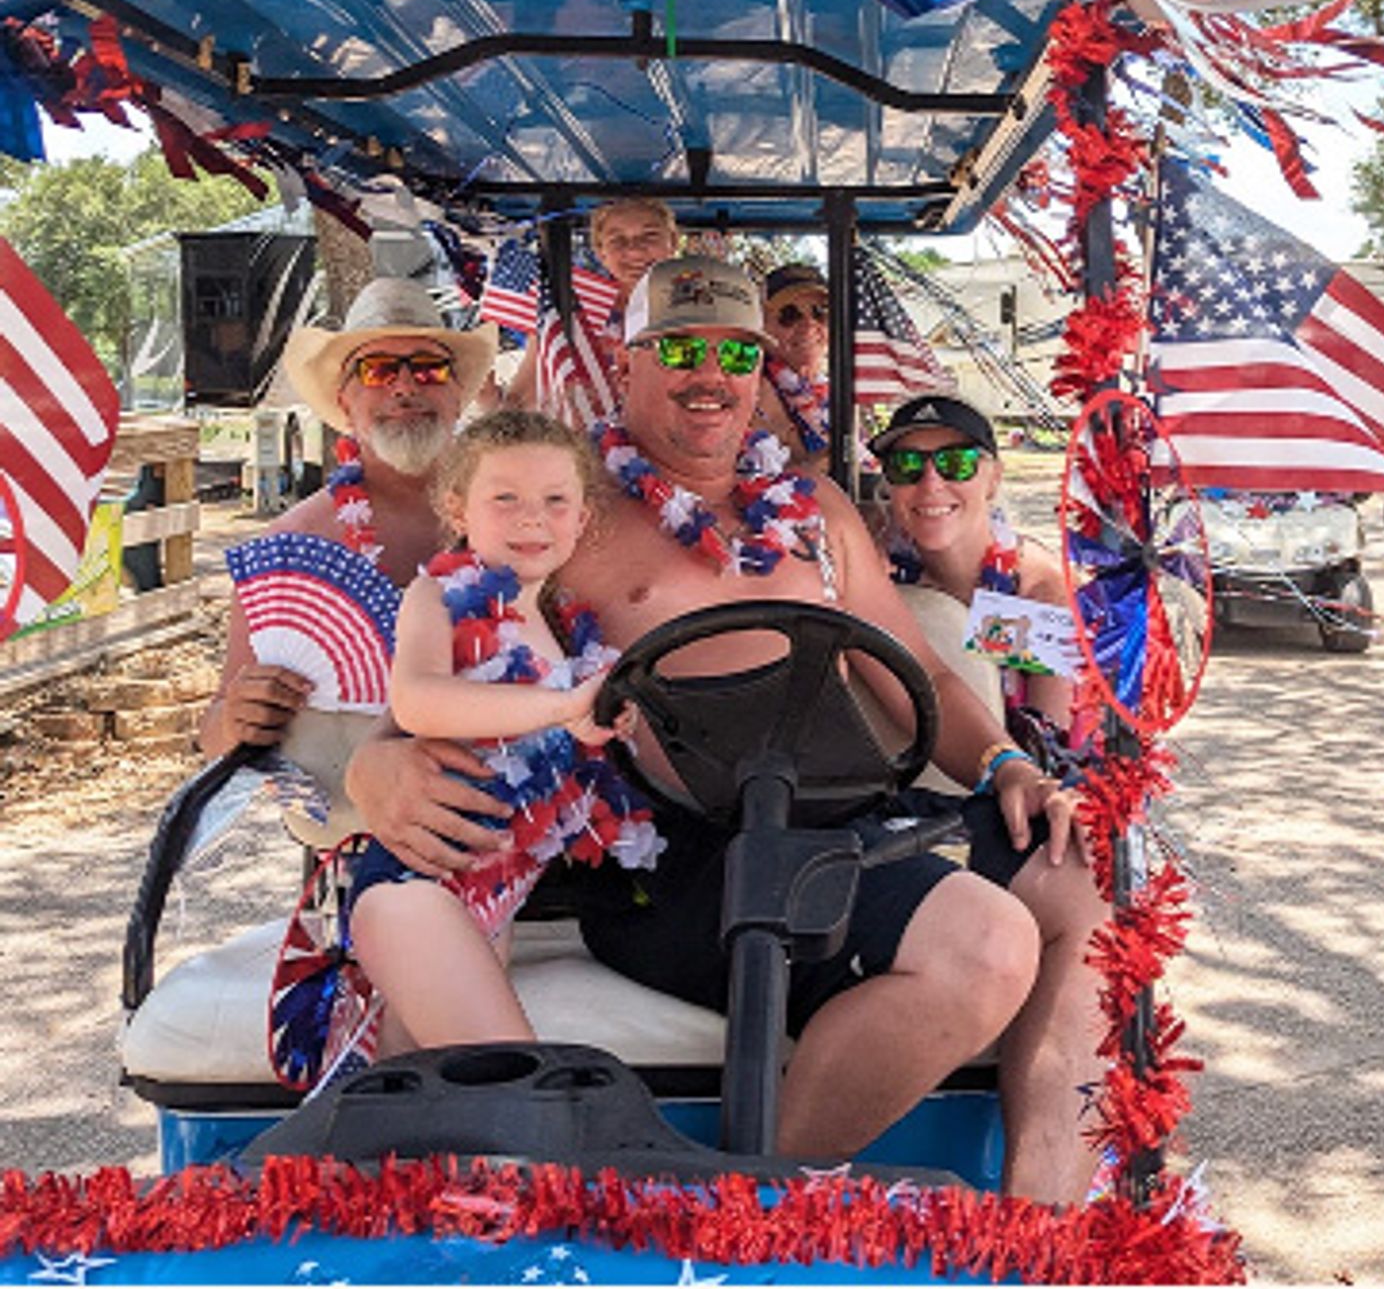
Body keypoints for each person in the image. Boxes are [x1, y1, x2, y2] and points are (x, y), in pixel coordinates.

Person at [346, 255, 1110, 1206]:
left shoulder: (817, 511)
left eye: (734, 353)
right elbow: (458, 648)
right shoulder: (570, 508)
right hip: (673, 856)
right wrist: (373, 769)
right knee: (987, 942)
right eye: (680, 348)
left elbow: (913, 672)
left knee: (1080, 871)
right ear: (627, 364)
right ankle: (750, 1214)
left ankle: (1047, 1233)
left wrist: (1003, 762)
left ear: (759, 370)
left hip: (840, 818)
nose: (711, 374)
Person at [347, 410, 658, 1062]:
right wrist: (562, 707)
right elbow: (420, 700)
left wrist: (604, 722)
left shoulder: (570, 631)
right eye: (505, 498)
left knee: (418, 1099)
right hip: (416, 888)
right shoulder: (438, 598)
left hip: (495, 900)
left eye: (555, 501)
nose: (531, 519)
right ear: (459, 508)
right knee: (507, 1086)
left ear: (582, 518)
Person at [197, 277, 496, 761]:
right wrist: (236, 716)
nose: (404, 388)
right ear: (344, 402)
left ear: (458, 394)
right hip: (351, 828)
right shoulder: (289, 548)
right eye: (377, 372)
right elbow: (213, 737)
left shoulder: (525, 516)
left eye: (428, 370)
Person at [871, 393, 1074, 740]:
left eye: (956, 463)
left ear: (993, 479)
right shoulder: (871, 554)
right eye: (906, 465)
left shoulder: (1038, 593)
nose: (931, 483)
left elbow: (1049, 744)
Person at [498, 199, 678, 430]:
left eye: (649, 236)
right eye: (617, 240)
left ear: (672, 242)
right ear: (600, 251)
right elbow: (526, 392)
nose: (633, 249)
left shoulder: (702, 306)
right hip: (590, 449)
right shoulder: (570, 310)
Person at [754, 261, 832, 467]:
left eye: (819, 312)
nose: (808, 326)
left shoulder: (830, 390)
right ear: (762, 325)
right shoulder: (752, 390)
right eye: (789, 315)